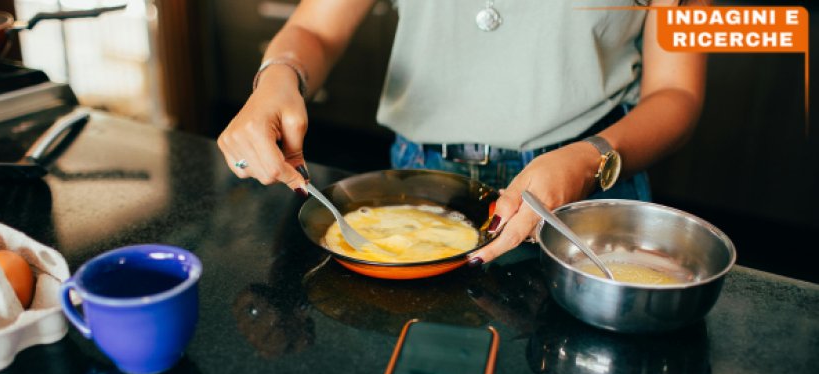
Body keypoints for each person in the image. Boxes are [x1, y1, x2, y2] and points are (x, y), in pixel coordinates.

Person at [217, 0, 705, 265]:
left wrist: (590, 159)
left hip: (588, 184)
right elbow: (316, 29)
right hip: (421, 181)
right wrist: (278, 75)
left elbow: (677, 92)